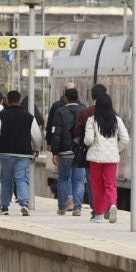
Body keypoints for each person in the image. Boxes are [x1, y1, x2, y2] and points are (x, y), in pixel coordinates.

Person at [0, 90, 44, 216]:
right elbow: (37, 136)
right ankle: (24, 203)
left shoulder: (1, 116)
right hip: (24, 154)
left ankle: (4, 207)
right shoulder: (29, 117)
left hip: (6, 153)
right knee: (21, 179)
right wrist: (36, 148)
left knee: (6, 180)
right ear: (19, 101)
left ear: (7, 101)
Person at [82, 92, 128, 223]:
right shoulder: (117, 120)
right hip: (111, 158)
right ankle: (112, 204)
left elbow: (88, 140)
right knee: (110, 184)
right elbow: (125, 139)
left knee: (97, 186)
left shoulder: (92, 120)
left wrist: (88, 142)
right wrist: (116, 149)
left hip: (96, 158)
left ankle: (99, 215)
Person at [46, 85, 85, 215]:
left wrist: (55, 152)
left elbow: (56, 134)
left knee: (63, 178)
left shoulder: (60, 112)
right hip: (79, 152)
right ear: (77, 98)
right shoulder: (83, 111)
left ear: (66, 98)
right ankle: (78, 208)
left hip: (64, 152)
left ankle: (62, 207)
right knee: (79, 181)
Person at [73, 83, 107, 210]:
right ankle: (107, 205)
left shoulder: (86, 112)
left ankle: (96, 209)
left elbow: (77, 131)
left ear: (92, 96)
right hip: (109, 154)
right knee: (107, 182)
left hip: (90, 153)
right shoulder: (112, 113)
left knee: (93, 182)